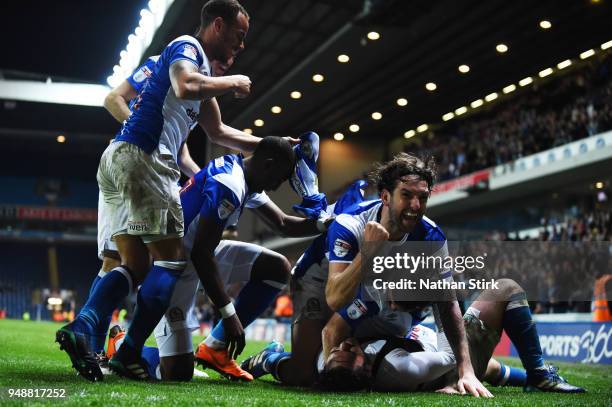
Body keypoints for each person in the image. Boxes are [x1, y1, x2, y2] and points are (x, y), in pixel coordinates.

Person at [56, 0, 263, 382]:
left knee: (128, 264)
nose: (241, 46)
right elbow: (184, 86)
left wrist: (269, 145)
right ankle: (128, 350)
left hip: (121, 159)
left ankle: (86, 333)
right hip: (144, 157)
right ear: (217, 25)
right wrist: (234, 82)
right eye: (239, 36)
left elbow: (219, 133)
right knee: (170, 261)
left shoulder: (197, 81)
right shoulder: (186, 48)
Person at [151, 136, 330, 381]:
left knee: (277, 267)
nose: (277, 186)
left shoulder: (244, 174)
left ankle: (215, 347)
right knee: (177, 374)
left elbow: (283, 224)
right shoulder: (231, 183)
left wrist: (326, 223)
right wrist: (228, 314)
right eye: (279, 178)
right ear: (268, 164)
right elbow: (200, 254)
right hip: (175, 266)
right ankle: (124, 348)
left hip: (200, 252)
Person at [319, 279, 585, 394]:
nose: (347, 343)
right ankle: (538, 374)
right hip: (445, 367)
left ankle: (526, 379)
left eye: (336, 350)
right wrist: (442, 298)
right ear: (366, 371)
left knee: (489, 368)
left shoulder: (335, 365)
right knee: (506, 289)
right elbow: (449, 355)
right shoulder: (399, 368)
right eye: (351, 352)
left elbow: (329, 336)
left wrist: (276, 358)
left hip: (424, 350)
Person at [241, 179, 373, 386]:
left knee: (347, 367)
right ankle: (270, 359)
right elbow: (335, 302)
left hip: (352, 283)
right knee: (304, 376)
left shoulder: (413, 228)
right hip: (316, 278)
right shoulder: (354, 217)